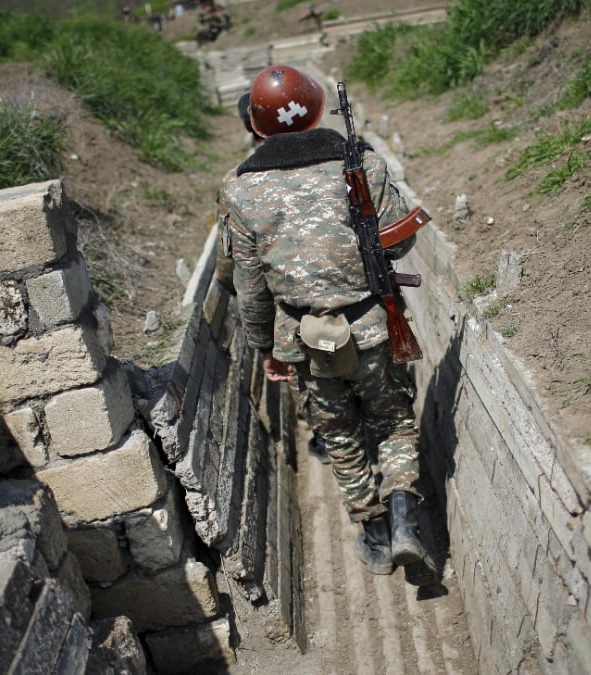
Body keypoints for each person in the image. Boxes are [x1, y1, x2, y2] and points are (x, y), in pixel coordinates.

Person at [218, 65, 435, 586]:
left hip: (303, 339)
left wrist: (264, 348)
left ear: (256, 123)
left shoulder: (240, 190)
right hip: (373, 325)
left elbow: (249, 287)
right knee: (393, 421)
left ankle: (376, 537)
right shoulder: (361, 164)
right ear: (316, 108)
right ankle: (406, 516)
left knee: (338, 434)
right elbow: (400, 243)